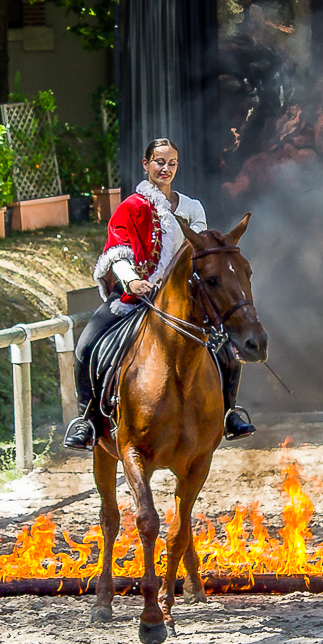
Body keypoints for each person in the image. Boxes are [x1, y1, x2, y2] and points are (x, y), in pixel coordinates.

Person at [63, 138, 257, 450]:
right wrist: (131, 281)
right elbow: (116, 252)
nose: (165, 168)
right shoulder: (130, 208)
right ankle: (87, 419)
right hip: (135, 295)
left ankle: (228, 412)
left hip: (183, 298)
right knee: (86, 345)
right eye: (159, 162)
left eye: (171, 163)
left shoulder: (193, 209)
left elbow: (200, 252)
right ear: (146, 164)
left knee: (225, 346)